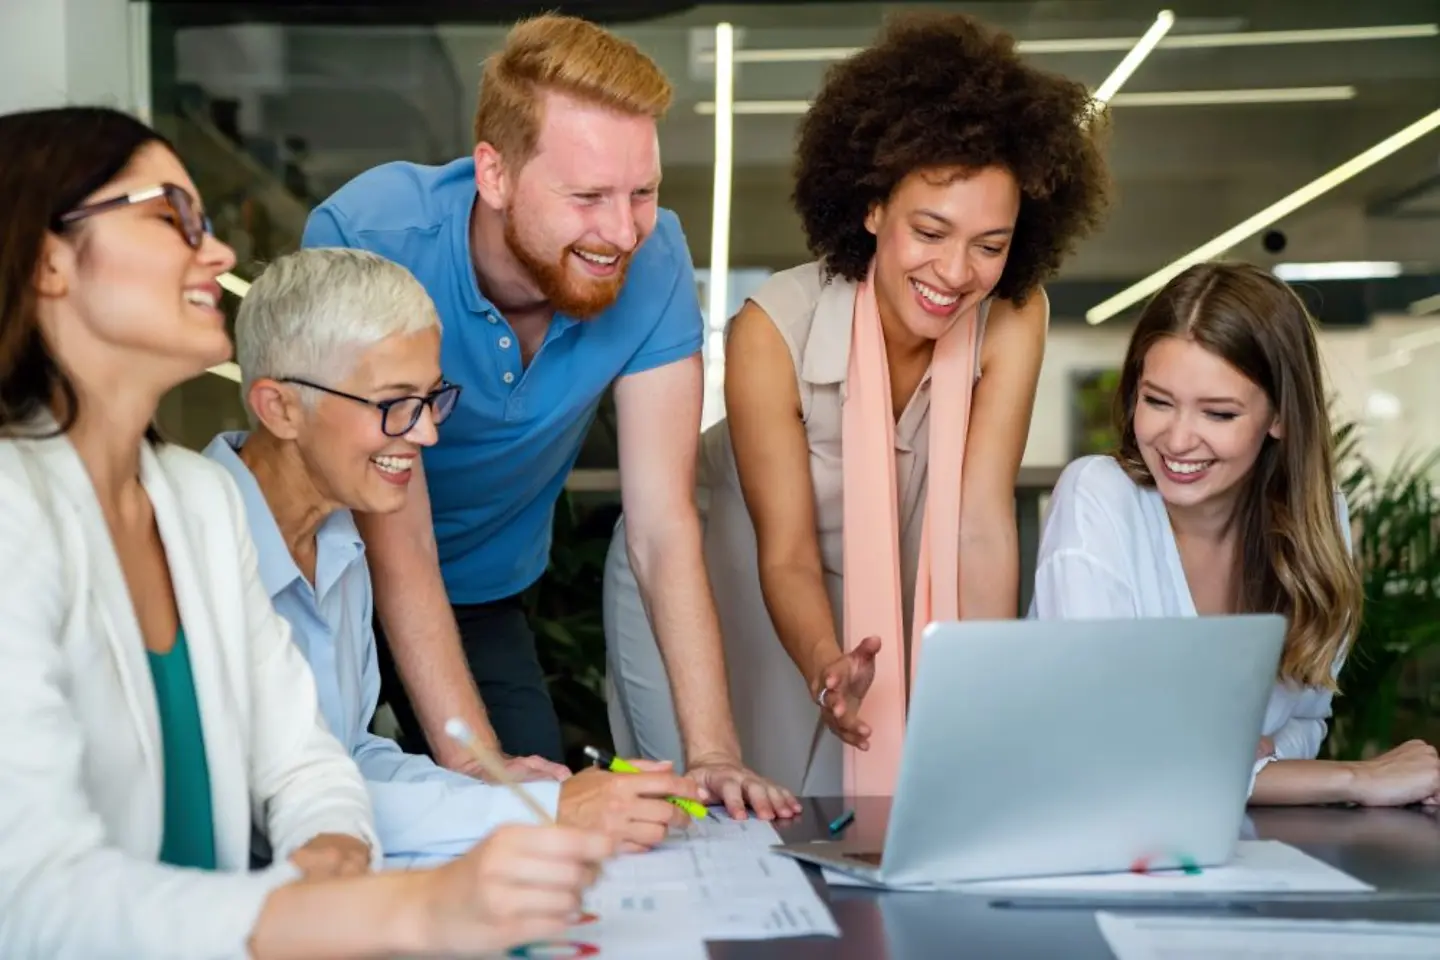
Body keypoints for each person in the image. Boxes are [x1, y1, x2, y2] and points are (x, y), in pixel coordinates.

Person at [0, 105, 611, 959]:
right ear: (48, 263)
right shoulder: (14, 514)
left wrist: (333, 859)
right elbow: (29, 898)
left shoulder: (193, 503)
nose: (217, 252)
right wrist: (398, 913)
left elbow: (310, 762)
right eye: (171, 217)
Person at [301, 13, 796, 819]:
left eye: (643, 192)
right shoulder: (372, 235)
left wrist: (713, 752)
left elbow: (663, 527)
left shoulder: (655, 259)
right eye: (588, 196)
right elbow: (398, 537)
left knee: (543, 814)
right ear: (494, 175)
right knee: (337, 813)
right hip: (336, 579)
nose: (622, 232)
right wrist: (477, 765)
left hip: (486, 592)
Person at [604, 11, 1112, 796]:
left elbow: (979, 526)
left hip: (879, 590)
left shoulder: (1014, 318)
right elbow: (786, 554)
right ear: (873, 208)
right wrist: (824, 660)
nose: (956, 272)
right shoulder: (774, 329)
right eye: (931, 232)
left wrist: (982, 690)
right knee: (724, 806)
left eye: (990, 244)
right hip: (718, 573)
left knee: (880, 801)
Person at [204, 246, 705, 861]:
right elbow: (270, 800)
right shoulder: (195, 545)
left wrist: (501, 790)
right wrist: (540, 810)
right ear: (279, 408)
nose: (427, 433)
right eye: (394, 404)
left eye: (432, 399)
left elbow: (351, 755)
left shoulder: (337, 536)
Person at [1030, 260, 1440, 807]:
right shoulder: (1099, 497)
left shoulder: (1317, 522)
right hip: (1089, 838)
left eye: (1218, 414)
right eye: (1157, 401)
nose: (1178, 439)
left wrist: (1228, 762)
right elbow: (1112, 755)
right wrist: (1355, 778)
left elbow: (1305, 722)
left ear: (1280, 417)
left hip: (1231, 843)